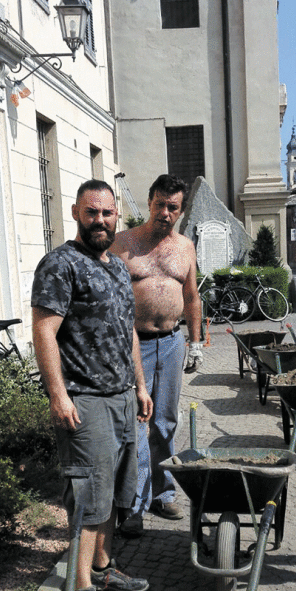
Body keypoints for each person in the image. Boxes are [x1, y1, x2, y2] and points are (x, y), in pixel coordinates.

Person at [31, 180, 153, 591]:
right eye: (91, 212)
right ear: (76, 213)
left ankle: (103, 566)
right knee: (88, 496)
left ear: (117, 214)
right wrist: (58, 395)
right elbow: (44, 330)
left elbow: (128, 332)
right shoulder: (60, 265)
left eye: (106, 213)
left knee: (116, 493)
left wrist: (139, 385)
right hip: (85, 400)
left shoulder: (118, 267)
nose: (100, 220)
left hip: (120, 397)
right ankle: (81, 589)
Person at [110, 174, 202, 537]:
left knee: (165, 422)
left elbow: (192, 297)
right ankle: (133, 503)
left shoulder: (185, 247)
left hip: (172, 342)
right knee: (136, 424)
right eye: (160, 204)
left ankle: (162, 494)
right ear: (149, 202)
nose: (165, 212)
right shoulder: (123, 243)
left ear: (181, 210)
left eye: (173, 207)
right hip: (135, 343)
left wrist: (195, 343)